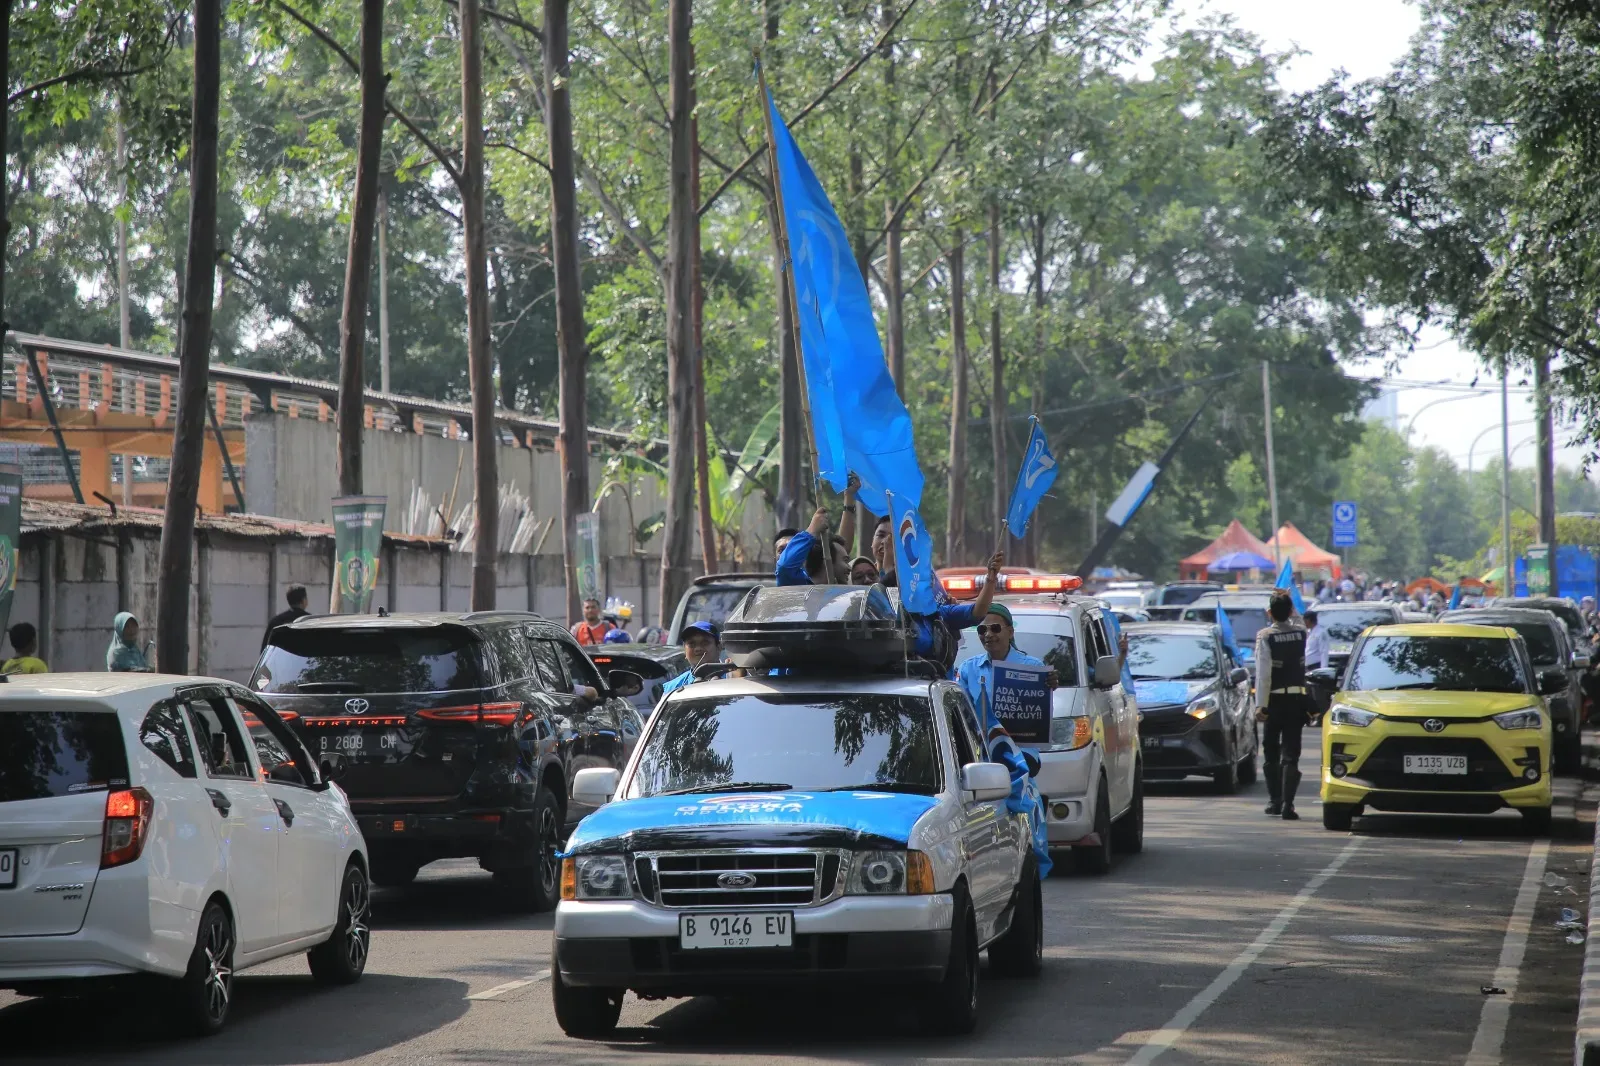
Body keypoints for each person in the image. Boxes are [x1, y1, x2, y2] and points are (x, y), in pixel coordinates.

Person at [953, 604, 1057, 879]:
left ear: (1010, 632)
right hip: (982, 762)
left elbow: (1041, 713)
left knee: (1024, 824)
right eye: (982, 629)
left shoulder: (1034, 668)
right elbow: (962, 715)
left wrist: (1048, 687)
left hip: (1020, 763)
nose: (988, 634)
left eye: (995, 628)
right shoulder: (967, 670)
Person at [1254, 590, 1312, 820]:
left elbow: (1263, 674)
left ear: (1269, 613)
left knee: (1271, 751)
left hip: (1274, 701)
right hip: (1296, 700)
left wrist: (1260, 705)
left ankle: (1274, 800)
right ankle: (1289, 804)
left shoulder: (1265, 636)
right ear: (1289, 611)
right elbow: (1298, 620)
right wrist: (1291, 605)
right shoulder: (1300, 633)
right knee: (1291, 753)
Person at [660, 621, 722, 699]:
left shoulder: (734, 679)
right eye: (692, 644)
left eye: (705, 643)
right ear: (685, 652)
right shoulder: (672, 689)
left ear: (719, 648)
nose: (698, 649)